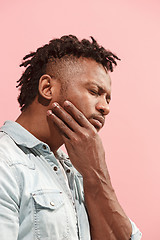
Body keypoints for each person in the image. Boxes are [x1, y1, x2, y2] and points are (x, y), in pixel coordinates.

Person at [0, 35, 142, 240]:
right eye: (95, 91)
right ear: (47, 88)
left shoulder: (79, 173)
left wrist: (96, 173)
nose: (105, 108)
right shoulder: (5, 162)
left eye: (107, 98)